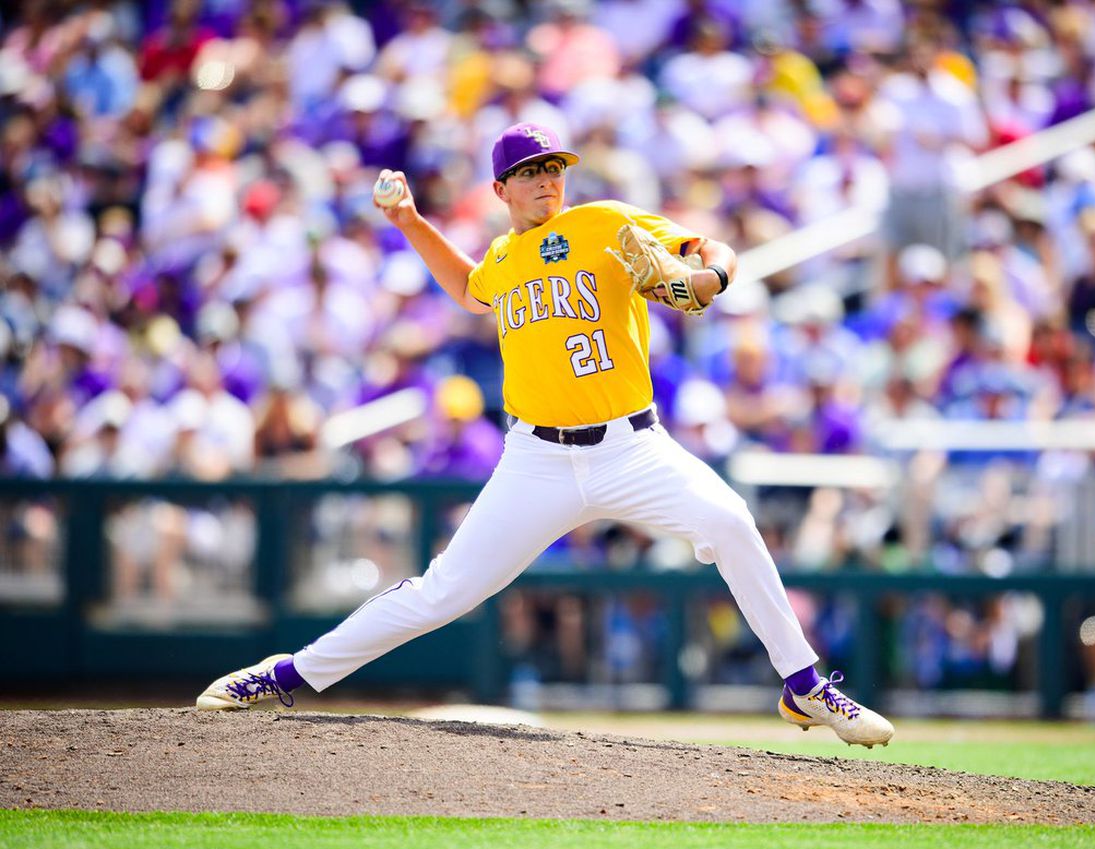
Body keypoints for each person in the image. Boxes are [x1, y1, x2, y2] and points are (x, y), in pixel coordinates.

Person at [196, 123, 894, 747]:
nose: (547, 180)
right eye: (531, 172)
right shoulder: (504, 257)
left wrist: (707, 275)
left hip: (631, 446)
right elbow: (470, 287)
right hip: (535, 459)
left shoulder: (602, 221)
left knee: (731, 520)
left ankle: (803, 686)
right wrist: (409, 220)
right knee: (444, 592)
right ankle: (284, 674)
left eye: (554, 168)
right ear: (501, 187)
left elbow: (713, 248)